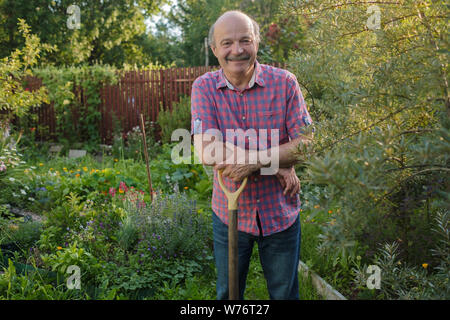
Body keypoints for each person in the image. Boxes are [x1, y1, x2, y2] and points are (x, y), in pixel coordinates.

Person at [190, 10, 313, 300]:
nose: (237, 50)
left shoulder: (285, 83)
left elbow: (307, 144)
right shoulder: (204, 88)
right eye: (227, 43)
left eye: (245, 40)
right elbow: (207, 150)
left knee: (285, 294)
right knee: (228, 295)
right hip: (229, 213)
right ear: (215, 49)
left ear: (256, 42)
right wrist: (277, 162)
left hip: (280, 212)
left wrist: (257, 161)